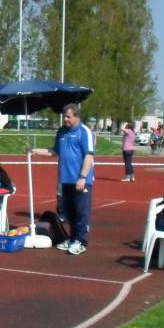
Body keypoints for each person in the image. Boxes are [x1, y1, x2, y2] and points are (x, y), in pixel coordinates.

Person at [31, 103, 94, 255]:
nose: (65, 119)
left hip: (81, 180)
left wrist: (83, 177)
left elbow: (89, 156)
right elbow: (54, 151)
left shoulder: (84, 131)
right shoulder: (61, 132)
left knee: (81, 212)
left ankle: (81, 241)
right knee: (69, 212)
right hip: (65, 180)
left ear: (76, 116)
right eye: (64, 116)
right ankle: (73, 238)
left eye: (68, 117)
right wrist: (35, 151)